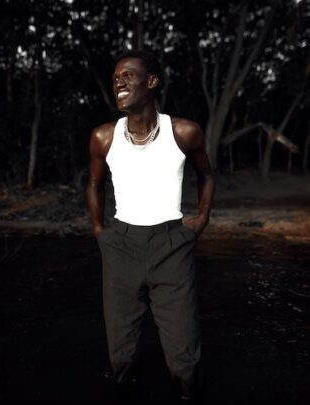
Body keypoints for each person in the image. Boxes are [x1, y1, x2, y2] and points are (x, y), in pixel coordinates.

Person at [87, 50, 215, 403]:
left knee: (184, 359)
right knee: (122, 357)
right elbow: (94, 185)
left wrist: (201, 220)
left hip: (172, 245)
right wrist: (100, 233)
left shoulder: (184, 132)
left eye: (127, 75)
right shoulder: (103, 137)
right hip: (121, 247)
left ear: (152, 82)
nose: (118, 82)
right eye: (115, 78)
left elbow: (206, 176)